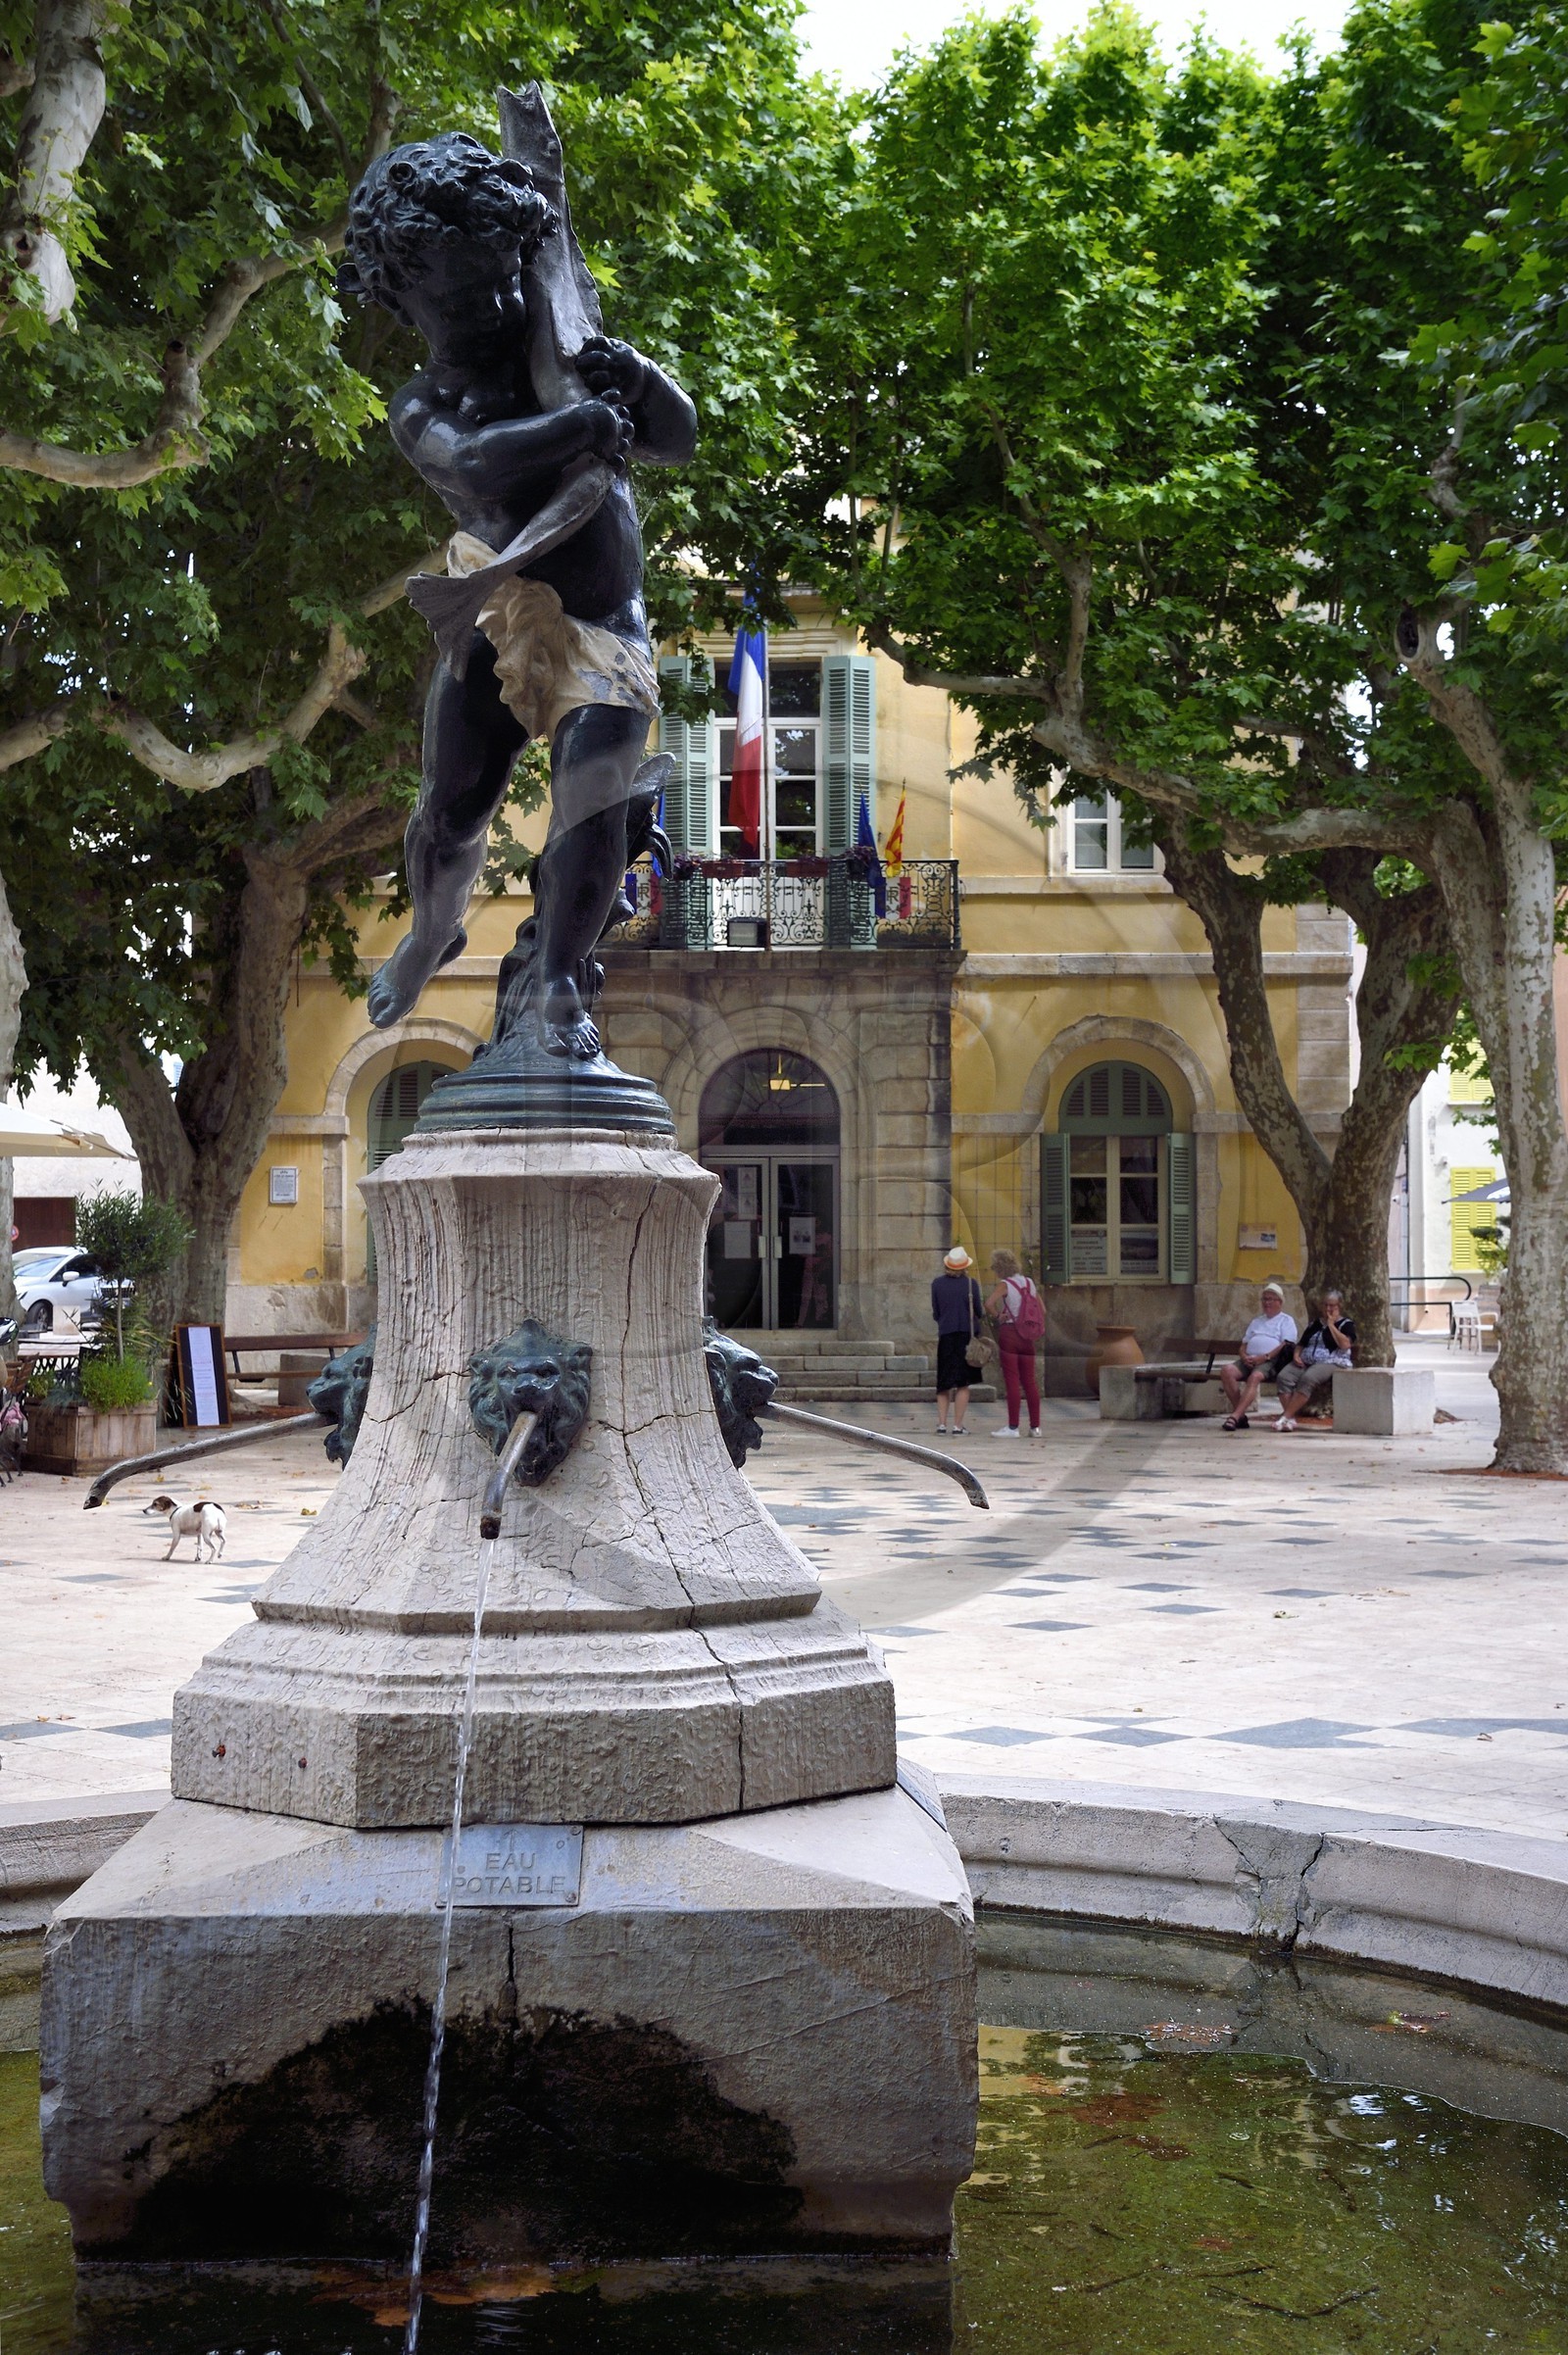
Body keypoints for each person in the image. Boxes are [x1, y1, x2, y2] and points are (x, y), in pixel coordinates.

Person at [340, 121, 698, 1060]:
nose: (497, 303)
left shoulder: (564, 340)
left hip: (604, 619)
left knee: (594, 794)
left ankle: (556, 985)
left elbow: (675, 436)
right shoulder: (422, 407)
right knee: (452, 808)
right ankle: (432, 931)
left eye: (504, 276)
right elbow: (478, 464)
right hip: (492, 612)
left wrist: (643, 384)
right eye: (467, 296)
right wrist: (580, 426)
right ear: (410, 300)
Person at [1220, 1281, 1298, 1431]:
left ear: (1280, 1302)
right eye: (1264, 1299)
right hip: (1249, 1358)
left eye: (1270, 1299)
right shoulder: (1257, 1321)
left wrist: (1265, 1357)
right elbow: (1244, 1343)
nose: (1266, 1303)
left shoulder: (1286, 1320)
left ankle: (1235, 1416)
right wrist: (1244, 1356)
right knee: (1227, 1371)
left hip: (1270, 1360)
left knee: (1254, 1377)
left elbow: (1286, 1344)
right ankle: (1241, 1416)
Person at [984, 1250, 1044, 1439]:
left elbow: (989, 1303)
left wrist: (998, 1316)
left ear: (1000, 1267)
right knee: (1030, 1381)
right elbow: (1042, 1310)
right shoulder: (1029, 1283)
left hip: (1010, 1333)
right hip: (1028, 1336)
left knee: (1012, 1380)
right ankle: (1035, 1427)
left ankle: (1013, 1427)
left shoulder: (1005, 1285)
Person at [1275, 1290, 1356, 1431]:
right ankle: (1290, 1419)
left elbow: (1345, 1345)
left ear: (1340, 1306)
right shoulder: (1315, 1324)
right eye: (1325, 1305)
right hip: (1306, 1360)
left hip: (1332, 1361)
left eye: (1332, 1306)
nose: (1328, 1309)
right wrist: (1296, 1355)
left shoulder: (1346, 1324)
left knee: (1308, 1378)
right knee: (1284, 1377)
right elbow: (1301, 1344)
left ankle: (1285, 1417)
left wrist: (1331, 1325)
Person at [931, 1246, 984, 1438]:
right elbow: (979, 1311)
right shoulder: (971, 1284)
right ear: (964, 1266)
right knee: (963, 1383)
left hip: (946, 1336)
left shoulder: (936, 1284)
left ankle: (941, 1424)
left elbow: (936, 1312)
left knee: (943, 1383)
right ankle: (958, 1425)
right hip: (965, 1337)